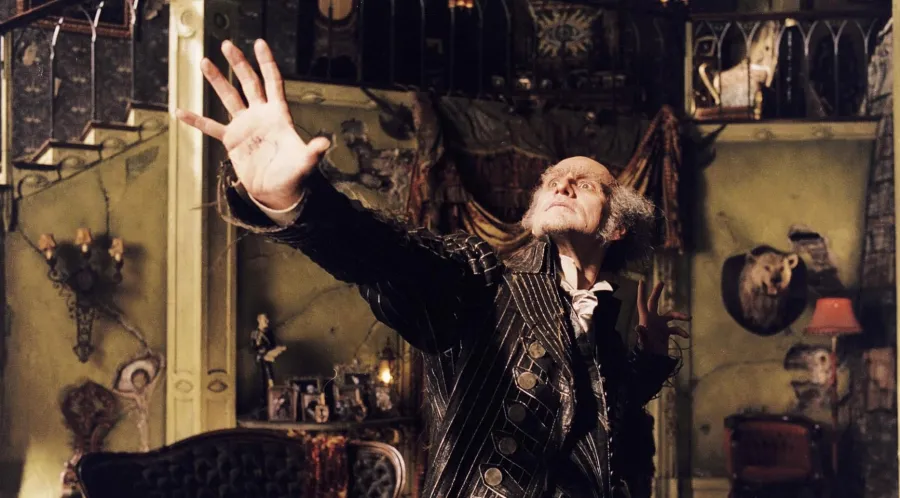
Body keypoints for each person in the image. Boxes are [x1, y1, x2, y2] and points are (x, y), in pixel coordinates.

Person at [177, 38, 691, 498]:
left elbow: (602, 417)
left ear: (618, 226)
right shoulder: (484, 280)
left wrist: (648, 357)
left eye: (584, 183)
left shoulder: (606, 322)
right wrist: (297, 203)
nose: (561, 184)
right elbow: (392, 254)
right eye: (553, 179)